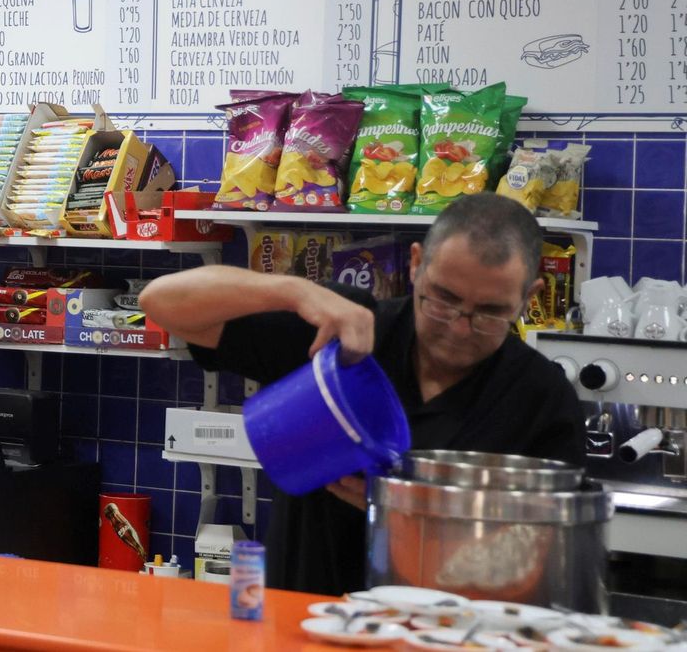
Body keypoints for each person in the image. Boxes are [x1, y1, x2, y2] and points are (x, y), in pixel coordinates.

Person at [139, 193, 583, 596]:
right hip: (301, 629)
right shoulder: (343, 332)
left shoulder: (542, 399)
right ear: (415, 265)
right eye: (442, 300)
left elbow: (539, 568)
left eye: (489, 313)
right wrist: (295, 291)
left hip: (446, 636)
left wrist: (408, 513)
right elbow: (160, 302)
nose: (459, 328)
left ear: (528, 298)